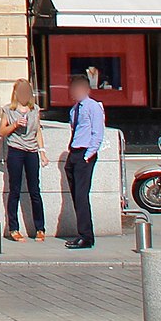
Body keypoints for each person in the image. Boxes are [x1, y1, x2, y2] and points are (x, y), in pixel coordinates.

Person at [0, 77, 46, 241]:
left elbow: (38, 131)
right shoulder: (8, 110)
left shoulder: (35, 110)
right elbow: (2, 132)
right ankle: (13, 228)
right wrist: (15, 125)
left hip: (31, 151)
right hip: (15, 151)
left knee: (35, 190)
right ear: (16, 93)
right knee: (15, 190)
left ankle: (40, 228)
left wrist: (42, 151)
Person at [63, 71, 105, 249]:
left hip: (85, 154)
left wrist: (89, 154)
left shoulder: (93, 106)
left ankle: (86, 236)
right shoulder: (74, 109)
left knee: (81, 196)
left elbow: (98, 132)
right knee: (76, 195)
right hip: (74, 153)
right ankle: (82, 232)